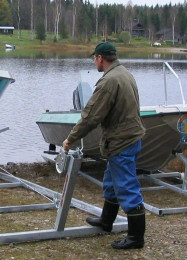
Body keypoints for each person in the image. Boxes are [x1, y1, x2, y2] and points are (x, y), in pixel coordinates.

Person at [62, 42, 146, 249]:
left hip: (122, 141)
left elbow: (91, 117)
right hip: (130, 137)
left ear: (100, 58)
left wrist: (70, 138)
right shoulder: (124, 73)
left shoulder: (109, 81)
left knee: (126, 186)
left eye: (94, 58)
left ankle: (136, 238)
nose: (94, 61)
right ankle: (106, 221)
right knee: (111, 182)